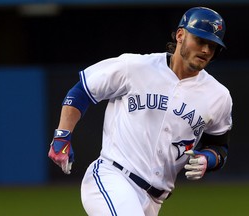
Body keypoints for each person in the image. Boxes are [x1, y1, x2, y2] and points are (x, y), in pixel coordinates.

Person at [48, 6, 233, 216]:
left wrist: (208, 159)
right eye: (200, 41)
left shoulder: (219, 96)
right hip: (113, 177)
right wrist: (62, 135)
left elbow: (219, 147)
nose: (206, 50)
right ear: (181, 35)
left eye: (213, 46)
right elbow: (82, 91)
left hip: (154, 200)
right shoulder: (135, 67)